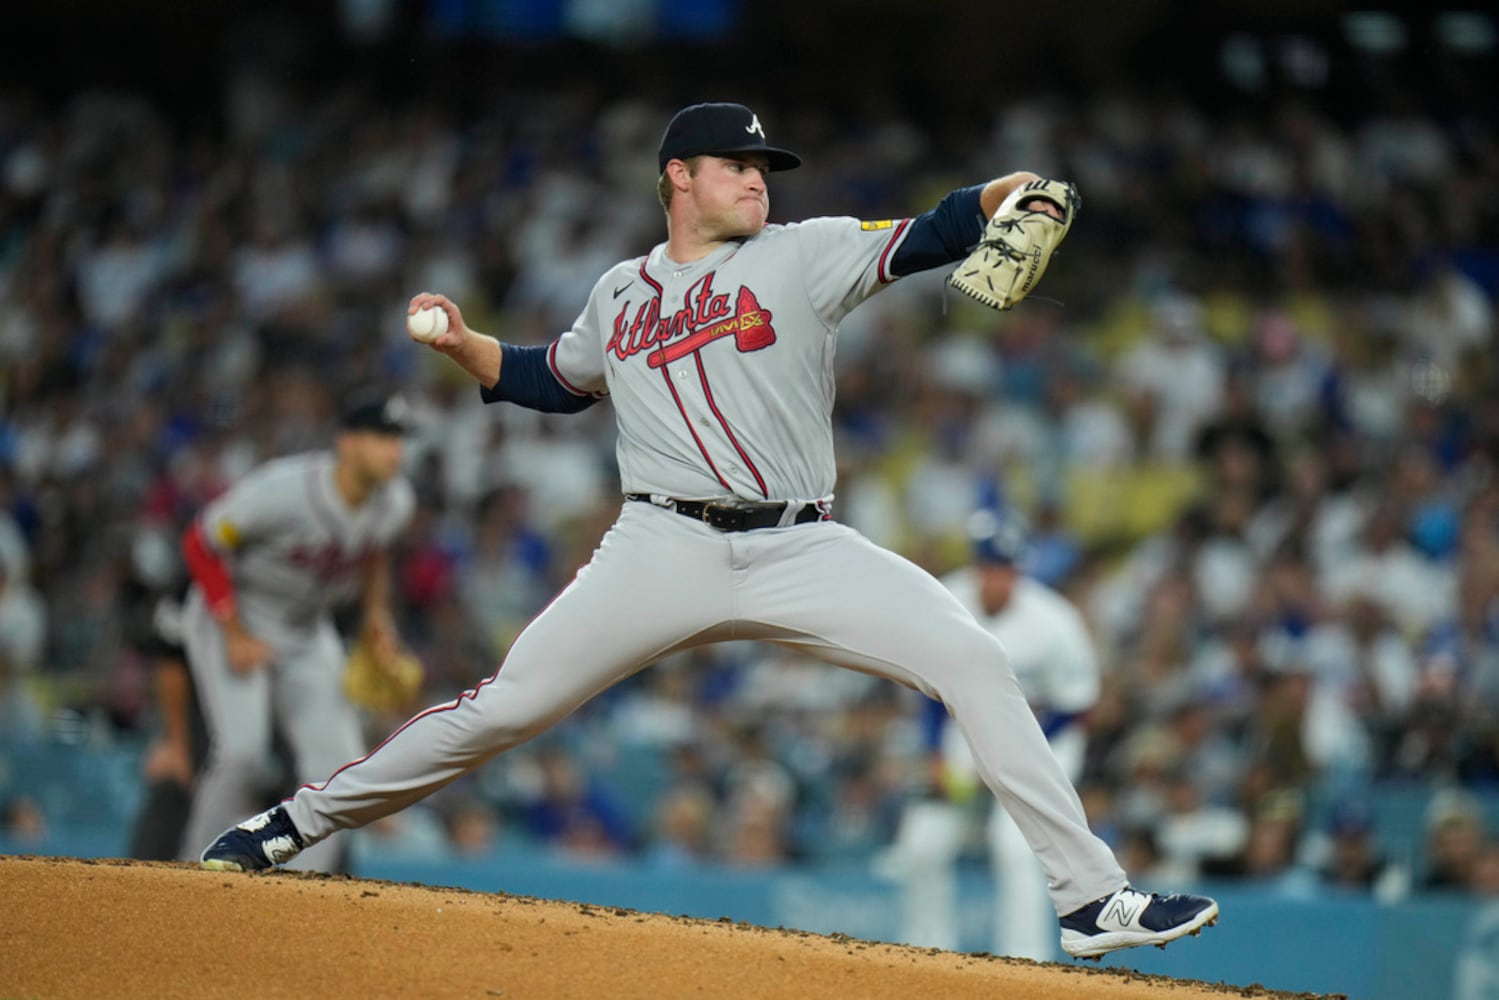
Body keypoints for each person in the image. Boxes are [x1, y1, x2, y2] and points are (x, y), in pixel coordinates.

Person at [199, 101, 1217, 958]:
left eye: (763, 166)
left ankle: (1091, 899)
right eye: (736, 164)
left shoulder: (805, 253)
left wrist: (1016, 192)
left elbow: (942, 226)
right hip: (660, 548)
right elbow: (550, 381)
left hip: (801, 544)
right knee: (504, 709)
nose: (757, 179)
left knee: (972, 657)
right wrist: (465, 343)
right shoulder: (618, 291)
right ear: (677, 176)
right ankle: (291, 823)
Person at [180, 394, 416, 872]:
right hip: (232, 614)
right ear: (346, 443)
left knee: (341, 769)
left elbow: (375, 554)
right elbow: (201, 543)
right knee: (242, 752)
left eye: (398, 439)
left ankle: (303, 887)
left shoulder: (395, 503)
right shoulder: (282, 490)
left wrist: (377, 619)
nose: (394, 450)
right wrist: (233, 631)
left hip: (306, 630)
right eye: (381, 437)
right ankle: (192, 870)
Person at [878, 508, 1104, 957]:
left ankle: (1025, 961)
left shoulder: (1054, 621)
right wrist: (936, 755)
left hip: (1044, 736)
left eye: (1008, 569)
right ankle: (926, 954)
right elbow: (927, 686)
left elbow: (1076, 706)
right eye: (991, 568)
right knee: (923, 844)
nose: (1000, 579)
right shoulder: (944, 600)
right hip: (965, 728)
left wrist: (1010, 756)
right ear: (976, 567)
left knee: (1015, 849)